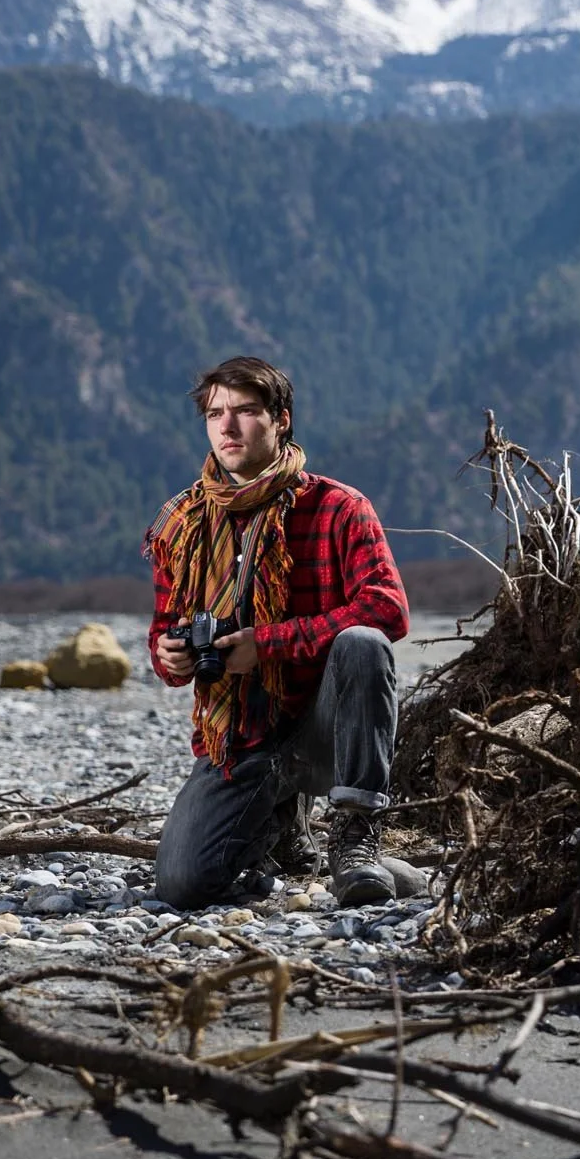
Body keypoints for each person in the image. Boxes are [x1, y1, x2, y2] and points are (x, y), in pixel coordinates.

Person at [144, 356, 410, 910]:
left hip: (324, 722)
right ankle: (282, 831)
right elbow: (164, 629)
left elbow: (388, 609)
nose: (228, 427)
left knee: (364, 643)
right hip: (243, 731)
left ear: (280, 419)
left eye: (245, 411)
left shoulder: (337, 507)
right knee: (182, 884)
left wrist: (265, 645)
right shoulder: (183, 524)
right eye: (216, 413)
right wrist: (170, 657)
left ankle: (357, 836)